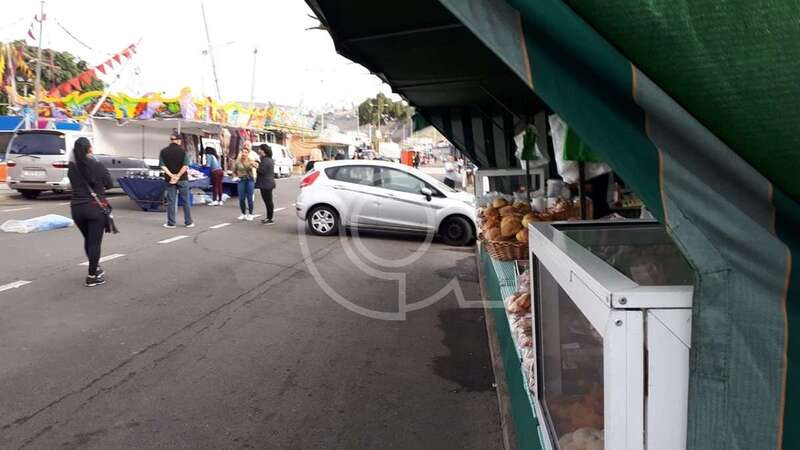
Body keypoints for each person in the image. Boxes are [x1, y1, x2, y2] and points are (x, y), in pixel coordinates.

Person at [68, 137, 113, 287]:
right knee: (95, 243)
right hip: (95, 207)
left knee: (88, 240)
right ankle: (92, 275)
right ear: (89, 148)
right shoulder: (97, 164)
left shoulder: (72, 166)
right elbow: (110, 183)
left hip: (76, 208)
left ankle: (96, 268)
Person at [159, 132, 194, 228]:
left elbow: (162, 165)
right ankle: (188, 222)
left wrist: (171, 175)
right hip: (182, 179)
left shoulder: (163, 151)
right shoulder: (184, 152)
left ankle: (171, 223)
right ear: (179, 141)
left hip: (169, 180)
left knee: (171, 201)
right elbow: (185, 166)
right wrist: (178, 176)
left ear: (171, 140)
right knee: (185, 200)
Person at [233, 146, 258, 221]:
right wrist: (235, 177)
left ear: (248, 154)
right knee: (241, 198)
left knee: (250, 198)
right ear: (240, 153)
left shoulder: (250, 160)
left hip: (249, 180)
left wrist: (254, 164)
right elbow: (234, 171)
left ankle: (250, 214)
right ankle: (243, 213)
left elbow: (256, 165)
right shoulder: (237, 161)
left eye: (246, 152)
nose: (244, 153)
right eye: (243, 152)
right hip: (241, 180)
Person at [255, 144, 276, 225]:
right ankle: (268, 217)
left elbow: (262, 171)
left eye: (260, 149)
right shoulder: (267, 159)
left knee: (268, 201)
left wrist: (256, 166)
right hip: (267, 183)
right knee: (267, 201)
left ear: (263, 150)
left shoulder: (266, 160)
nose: (258, 150)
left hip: (266, 184)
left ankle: (270, 218)